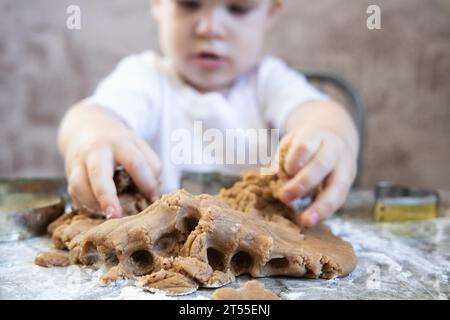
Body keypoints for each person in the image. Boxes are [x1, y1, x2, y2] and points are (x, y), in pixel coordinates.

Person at [58, 0, 358, 227]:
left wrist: (329, 135)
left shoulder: (269, 82)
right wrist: (94, 136)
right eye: (189, 3)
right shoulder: (145, 79)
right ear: (158, 4)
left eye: (238, 8)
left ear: (270, 11)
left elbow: (321, 113)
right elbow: (88, 116)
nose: (210, 28)